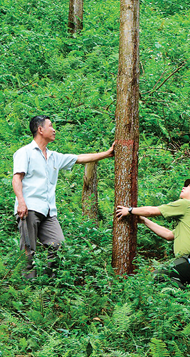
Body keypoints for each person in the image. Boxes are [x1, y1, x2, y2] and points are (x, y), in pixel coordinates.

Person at [12, 115, 114, 278]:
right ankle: (27, 288)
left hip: (48, 211)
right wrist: (21, 202)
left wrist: (107, 154)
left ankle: (48, 281)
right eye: (50, 126)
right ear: (40, 130)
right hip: (29, 207)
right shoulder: (25, 153)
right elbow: (17, 178)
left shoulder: (54, 157)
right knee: (28, 250)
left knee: (58, 244)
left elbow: (79, 158)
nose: (54, 130)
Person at [115, 178, 190, 288]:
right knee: (181, 287)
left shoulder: (188, 205)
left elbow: (152, 211)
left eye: (188, 187)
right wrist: (144, 221)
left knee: (157, 276)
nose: (183, 187)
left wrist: (129, 210)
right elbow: (168, 235)